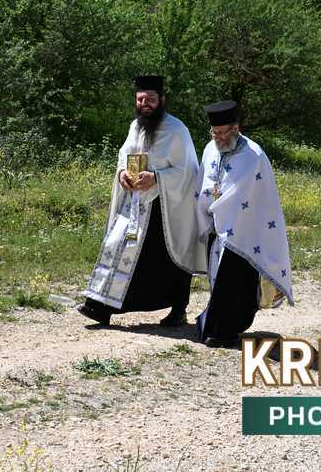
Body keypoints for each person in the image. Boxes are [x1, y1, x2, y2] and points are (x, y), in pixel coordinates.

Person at [78, 75, 206, 327]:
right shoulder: (135, 127)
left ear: (162, 100)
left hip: (164, 209)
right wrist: (122, 174)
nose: (145, 104)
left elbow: (188, 171)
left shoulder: (177, 130)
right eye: (140, 99)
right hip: (135, 204)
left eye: (150, 99)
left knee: (169, 259)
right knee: (116, 248)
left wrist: (157, 177)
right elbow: (123, 158)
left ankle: (178, 310)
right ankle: (101, 307)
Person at [194, 100, 294, 348]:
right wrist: (206, 209)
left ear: (236, 129)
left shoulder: (253, 155)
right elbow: (204, 182)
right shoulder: (210, 148)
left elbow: (242, 194)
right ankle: (218, 326)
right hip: (216, 224)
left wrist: (218, 208)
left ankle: (224, 332)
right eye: (214, 133)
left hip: (243, 229)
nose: (218, 138)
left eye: (223, 132)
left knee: (234, 281)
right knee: (219, 279)